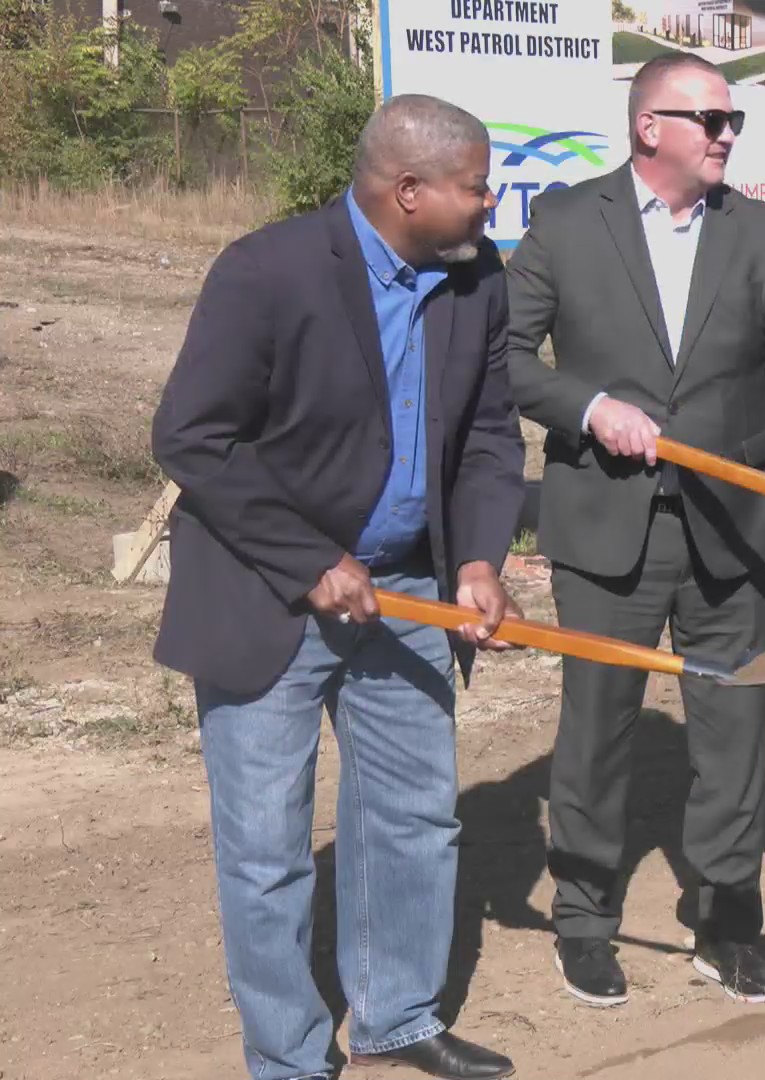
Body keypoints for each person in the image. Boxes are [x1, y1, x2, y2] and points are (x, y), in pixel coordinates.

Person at [149, 94, 523, 1080]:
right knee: (268, 848)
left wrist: (480, 557)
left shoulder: (478, 280)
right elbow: (191, 436)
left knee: (413, 819)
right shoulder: (267, 272)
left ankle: (397, 1017)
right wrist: (308, 559)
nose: (492, 204)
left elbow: (489, 436)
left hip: (406, 594)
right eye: (478, 187)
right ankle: (289, 1056)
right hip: (265, 596)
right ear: (409, 192)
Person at [504, 53, 765, 1007]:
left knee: (735, 731)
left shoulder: (759, 232)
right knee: (595, 731)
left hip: (731, 529)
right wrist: (587, 409)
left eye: (734, 120)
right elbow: (506, 360)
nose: (727, 134)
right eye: (710, 118)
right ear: (648, 126)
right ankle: (584, 920)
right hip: (603, 525)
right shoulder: (566, 223)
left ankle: (725, 926)